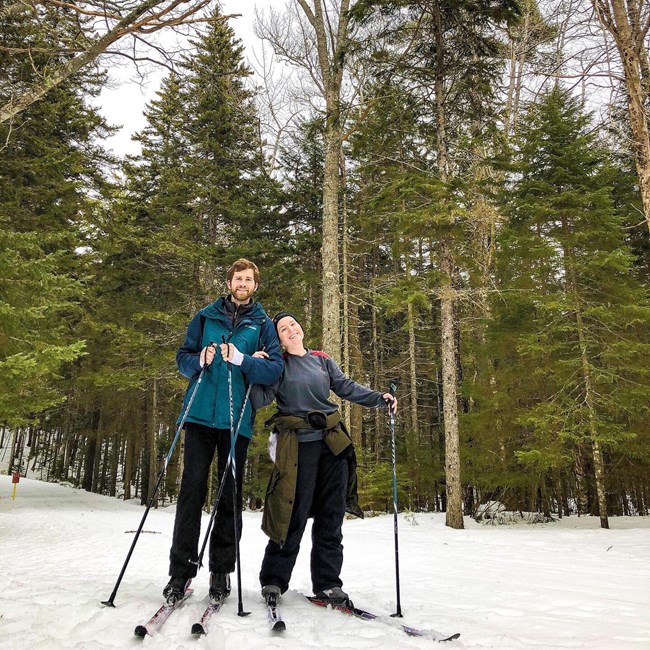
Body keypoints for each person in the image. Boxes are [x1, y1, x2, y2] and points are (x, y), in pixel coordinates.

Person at [253, 312, 397, 608]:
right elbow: (260, 397)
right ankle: (274, 580)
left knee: (331, 518)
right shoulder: (277, 364)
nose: (290, 329)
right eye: (282, 328)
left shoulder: (322, 360)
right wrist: (255, 366)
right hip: (297, 448)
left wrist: (378, 398)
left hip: (332, 444)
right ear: (278, 338)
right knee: (291, 513)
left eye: (293, 324)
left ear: (301, 328)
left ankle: (328, 584)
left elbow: (345, 387)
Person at [163, 259, 283, 605]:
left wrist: (242, 360)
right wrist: (199, 358)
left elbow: (273, 369)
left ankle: (220, 571)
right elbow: (182, 358)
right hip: (199, 414)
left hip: (236, 419)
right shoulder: (205, 316)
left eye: (248, 279)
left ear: (255, 285)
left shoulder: (263, 323)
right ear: (229, 282)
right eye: (237, 278)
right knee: (191, 492)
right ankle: (180, 573)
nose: (242, 283)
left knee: (228, 495)